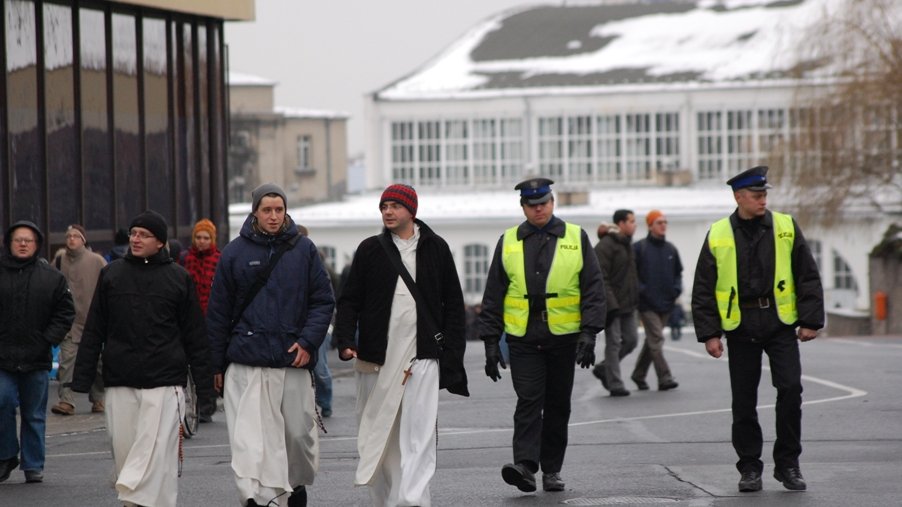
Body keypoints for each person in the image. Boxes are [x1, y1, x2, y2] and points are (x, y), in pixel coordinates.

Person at [691, 165, 824, 493]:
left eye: (765, 194)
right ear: (739, 197)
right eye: (756, 195)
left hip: (779, 322)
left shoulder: (785, 227)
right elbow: (704, 286)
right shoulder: (720, 233)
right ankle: (749, 467)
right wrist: (710, 333)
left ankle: (788, 464)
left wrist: (810, 320)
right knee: (744, 401)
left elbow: (806, 273)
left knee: (791, 390)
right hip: (741, 325)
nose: (763, 200)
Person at [334, 183, 468, 506]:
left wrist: (451, 356)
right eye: (384, 207)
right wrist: (345, 340)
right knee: (381, 437)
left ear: (412, 210)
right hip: (377, 359)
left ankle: (412, 501)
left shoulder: (436, 248)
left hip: (423, 358)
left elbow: (453, 304)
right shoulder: (370, 250)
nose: (388, 212)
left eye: (395, 205)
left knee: (420, 436)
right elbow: (350, 299)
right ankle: (389, 500)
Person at [72, 210, 213, 507]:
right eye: (133, 233)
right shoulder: (111, 274)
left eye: (143, 234)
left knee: (156, 452)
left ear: (160, 242)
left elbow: (195, 337)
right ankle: (134, 502)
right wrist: (82, 378)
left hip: (165, 383)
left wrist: (205, 389)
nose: (135, 239)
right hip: (121, 380)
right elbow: (95, 328)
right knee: (125, 453)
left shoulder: (179, 278)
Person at [206, 183, 334, 507]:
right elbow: (218, 313)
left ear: (286, 211)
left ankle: (296, 487)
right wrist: (215, 366)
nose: (274, 216)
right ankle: (258, 498)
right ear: (255, 213)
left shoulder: (304, 250)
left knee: (298, 437)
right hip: (246, 362)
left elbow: (323, 300)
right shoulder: (233, 253)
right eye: (267, 210)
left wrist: (307, 342)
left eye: (279, 210)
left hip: (292, 361)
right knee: (252, 442)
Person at [478, 177, 605, 494]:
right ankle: (525, 466)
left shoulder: (576, 237)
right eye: (532, 205)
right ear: (523, 207)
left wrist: (589, 334)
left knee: (558, 404)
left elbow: (593, 289)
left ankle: (552, 470)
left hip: (563, 337)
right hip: (523, 338)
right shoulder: (508, 241)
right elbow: (494, 294)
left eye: (544, 203)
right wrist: (491, 344)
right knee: (529, 401)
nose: (539, 209)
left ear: (552, 202)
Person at [0, 221, 75, 484]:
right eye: (18, 240)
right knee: (2, 402)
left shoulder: (51, 277)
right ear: (9, 243)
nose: (22, 244)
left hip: (37, 356)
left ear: (37, 245)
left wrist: (48, 339)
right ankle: (6, 454)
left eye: (28, 240)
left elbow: (65, 312)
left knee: (33, 414)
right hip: (3, 358)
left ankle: (33, 464)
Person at [51, 224, 107, 416]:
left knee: (97, 362)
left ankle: (98, 398)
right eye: (68, 236)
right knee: (68, 361)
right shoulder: (59, 261)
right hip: (69, 322)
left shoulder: (97, 261)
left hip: (93, 321)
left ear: (83, 240)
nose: (71, 239)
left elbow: (109, 288)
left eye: (76, 236)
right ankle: (66, 400)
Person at [631, 209, 681, 392]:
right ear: (650, 225)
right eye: (659, 222)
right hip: (646, 304)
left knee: (652, 341)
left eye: (665, 222)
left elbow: (678, 273)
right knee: (657, 338)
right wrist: (642, 291)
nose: (663, 225)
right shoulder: (639, 248)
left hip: (666, 303)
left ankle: (638, 374)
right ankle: (665, 377)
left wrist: (677, 290)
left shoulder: (671, 249)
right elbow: (632, 274)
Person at [591, 210, 639, 397]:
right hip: (612, 305)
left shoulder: (626, 244)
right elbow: (601, 277)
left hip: (628, 304)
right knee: (613, 343)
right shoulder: (606, 245)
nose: (635, 225)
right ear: (621, 223)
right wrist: (611, 304)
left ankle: (604, 368)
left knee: (631, 340)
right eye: (632, 221)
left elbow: (630, 276)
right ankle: (615, 383)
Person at [182, 218, 222, 423]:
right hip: (192, 318)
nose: (201, 241)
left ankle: (207, 403)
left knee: (209, 363)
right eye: (198, 237)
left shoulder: (219, 259)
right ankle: (197, 402)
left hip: (212, 318)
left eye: (206, 237)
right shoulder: (187, 259)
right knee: (193, 362)